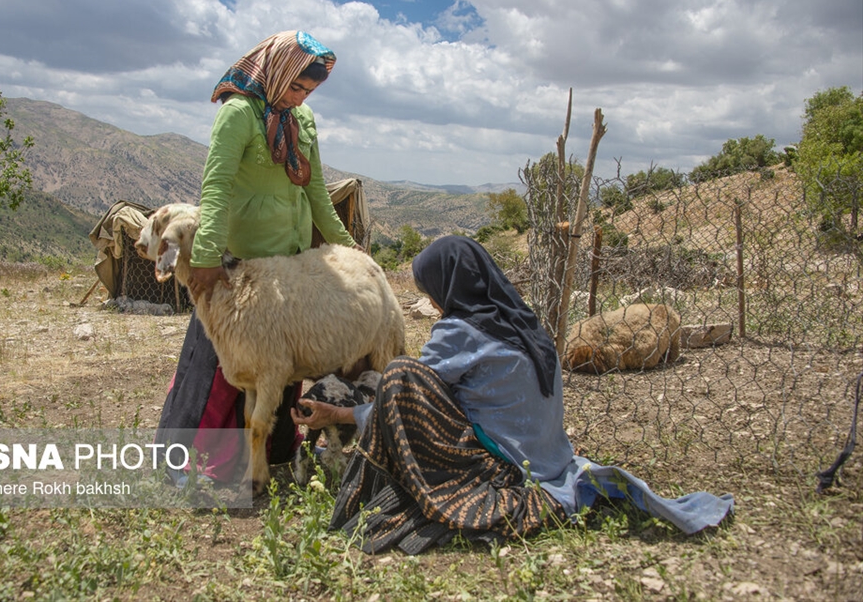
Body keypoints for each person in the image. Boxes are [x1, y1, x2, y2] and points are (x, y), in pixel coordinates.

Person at [293, 235, 733, 554]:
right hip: (550, 461)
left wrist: (338, 413)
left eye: (432, 291)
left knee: (399, 375)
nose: (435, 303)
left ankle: (378, 494)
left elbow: (403, 402)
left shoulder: (459, 332)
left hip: (506, 470)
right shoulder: (526, 327)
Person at [156, 31, 359, 487]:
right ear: (277, 72)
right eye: (295, 87)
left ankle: (273, 458)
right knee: (219, 368)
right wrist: (207, 259)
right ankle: (190, 465)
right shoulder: (238, 114)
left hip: (287, 269)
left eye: (307, 91)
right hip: (238, 267)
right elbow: (217, 188)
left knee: (281, 363)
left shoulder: (301, 121)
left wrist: (345, 247)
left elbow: (317, 193)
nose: (299, 97)